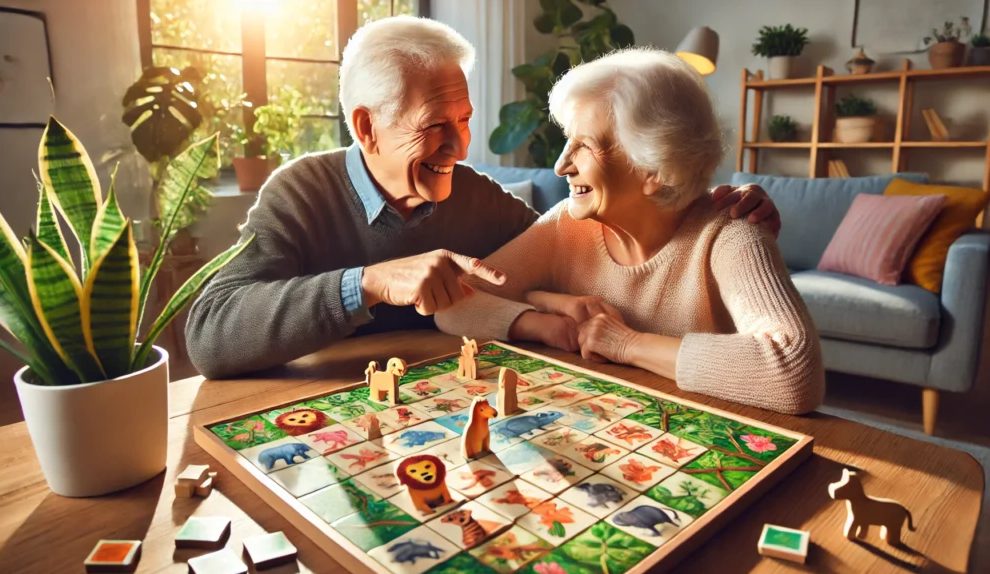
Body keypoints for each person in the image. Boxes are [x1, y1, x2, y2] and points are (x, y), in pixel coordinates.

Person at [185, 17, 780, 379]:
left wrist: (697, 204)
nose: (460, 145)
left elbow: (560, 266)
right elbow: (210, 334)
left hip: (448, 401)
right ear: (366, 128)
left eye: (464, 119)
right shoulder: (300, 191)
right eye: (435, 124)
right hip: (325, 415)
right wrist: (368, 282)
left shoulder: (475, 196)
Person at [436, 48, 823, 415]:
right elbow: (454, 303)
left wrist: (626, 344)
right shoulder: (568, 226)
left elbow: (793, 370)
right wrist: (546, 321)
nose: (560, 166)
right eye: (567, 141)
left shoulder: (730, 233)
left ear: (653, 169)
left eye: (584, 146)